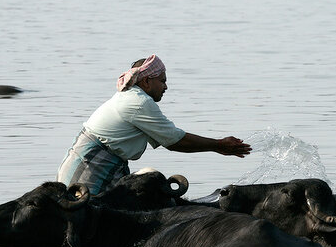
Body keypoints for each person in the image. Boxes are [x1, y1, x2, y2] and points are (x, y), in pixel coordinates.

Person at [57, 55, 252, 195]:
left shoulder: (132, 98)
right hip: (92, 166)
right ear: (147, 81)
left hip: (101, 163)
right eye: (163, 81)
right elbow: (175, 141)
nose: (166, 87)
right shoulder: (139, 102)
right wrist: (218, 145)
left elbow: (171, 138)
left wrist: (217, 146)